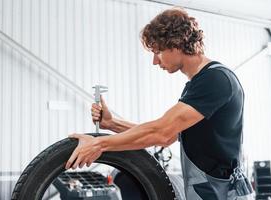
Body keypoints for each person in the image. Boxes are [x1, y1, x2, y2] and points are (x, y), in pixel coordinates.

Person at [65, 8, 252, 200]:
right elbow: (169, 134)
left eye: (158, 51)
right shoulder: (198, 85)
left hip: (222, 193)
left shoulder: (214, 80)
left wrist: (99, 144)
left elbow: (160, 133)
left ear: (177, 44)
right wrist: (112, 124)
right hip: (208, 191)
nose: (155, 61)